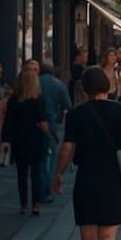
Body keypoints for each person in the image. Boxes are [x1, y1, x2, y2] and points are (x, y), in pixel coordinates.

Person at [53, 67, 121, 240]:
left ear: (84, 89)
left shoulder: (76, 114)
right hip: (113, 177)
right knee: (107, 235)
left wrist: (57, 174)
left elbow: (67, 149)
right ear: (107, 86)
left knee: (87, 236)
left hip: (87, 176)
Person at [2, 68, 49, 214]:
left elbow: (8, 122)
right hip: (35, 139)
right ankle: (35, 204)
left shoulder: (13, 100)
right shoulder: (38, 100)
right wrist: (47, 132)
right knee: (36, 174)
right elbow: (43, 123)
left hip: (18, 140)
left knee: (21, 174)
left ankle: (23, 204)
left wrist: (5, 140)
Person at [37, 62, 71, 203]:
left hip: (34, 123)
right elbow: (67, 105)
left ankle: (39, 187)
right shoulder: (59, 85)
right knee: (50, 157)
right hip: (51, 123)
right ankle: (46, 190)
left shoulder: (35, 82)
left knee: (38, 158)